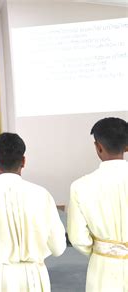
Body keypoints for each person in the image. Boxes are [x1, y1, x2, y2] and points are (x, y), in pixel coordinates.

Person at [0, 132, 66, 291]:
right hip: (32, 277)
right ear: (23, 161)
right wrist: (34, 255)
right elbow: (58, 247)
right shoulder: (42, 195)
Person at [67, 117, 127, 292]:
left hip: (103, 265)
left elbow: (78, 238)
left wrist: (103, 249)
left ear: (98, 147)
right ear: (127, 146)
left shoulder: (81, 186)